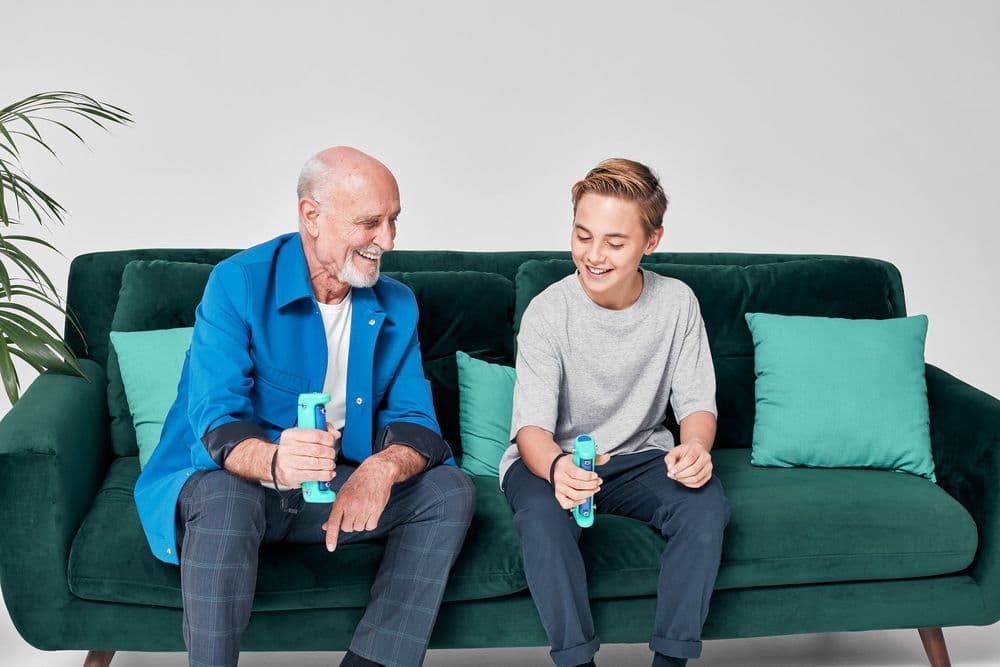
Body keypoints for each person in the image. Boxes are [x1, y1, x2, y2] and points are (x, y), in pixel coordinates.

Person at [134, 146, 476, 667]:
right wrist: (274, 460)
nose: (387, 240)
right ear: (311, 216)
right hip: (236, 488)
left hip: (326, 496)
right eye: (370, 222)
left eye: (393, 221)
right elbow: (215, 422)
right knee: (228, 498)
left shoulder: (396, 303)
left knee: (448, 489)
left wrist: (380, 469)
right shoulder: (238, 282)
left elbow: (419, 424)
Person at [499, 158, 730, 667]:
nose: (594, 256)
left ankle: (670, 662)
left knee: (706, 507)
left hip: (637, 458)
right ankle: (577, 661)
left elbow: (695, 404)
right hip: (548, 461)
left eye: (615, 242)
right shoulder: (546, 311)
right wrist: (559, 469)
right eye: (583, 236)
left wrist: (694, 447)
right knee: (541, 521)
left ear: (652, 241)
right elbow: (531, 429)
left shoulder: (677, 303)